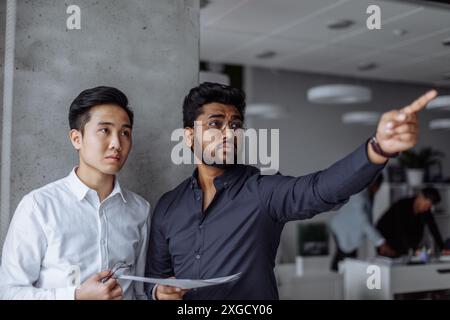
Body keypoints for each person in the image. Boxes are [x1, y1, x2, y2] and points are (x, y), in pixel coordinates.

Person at [145, 82, 437, 300]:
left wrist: (378, 148)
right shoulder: (169, 206)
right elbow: (153, 280)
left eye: (235, 125)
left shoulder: (262, 191)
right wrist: (159, 292)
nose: (229, 133)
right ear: (188, 136)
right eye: (215, 124)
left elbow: (321, 189)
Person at [0, 86, 150, 300]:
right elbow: (9, 293)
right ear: (76, 139)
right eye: (104, 130)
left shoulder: (139, 210)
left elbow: (138, 293)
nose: (117, 144)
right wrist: (76, 296)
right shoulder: (39, 206)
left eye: (125, 133)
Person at [329, 174, 396, 271]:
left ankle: (340, 279)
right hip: (342, 229)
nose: (378, 190)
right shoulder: (359, 196)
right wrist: (380, 242)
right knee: (344, 258)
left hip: (346, 229)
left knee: (347, 259)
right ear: (373, 183)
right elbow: (364, 222)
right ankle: (337, 280)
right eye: (379, 186)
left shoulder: (366, 193)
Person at [376, 187, 444, 257]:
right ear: (420, 197)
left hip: (406, 246)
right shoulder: (401, 206)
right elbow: (400, 230)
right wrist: (413, 250)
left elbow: (433, 228)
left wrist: (442, 248)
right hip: (388, 243)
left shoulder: (425, 211)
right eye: (426, 204)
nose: (427, 208)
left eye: (429, 206)